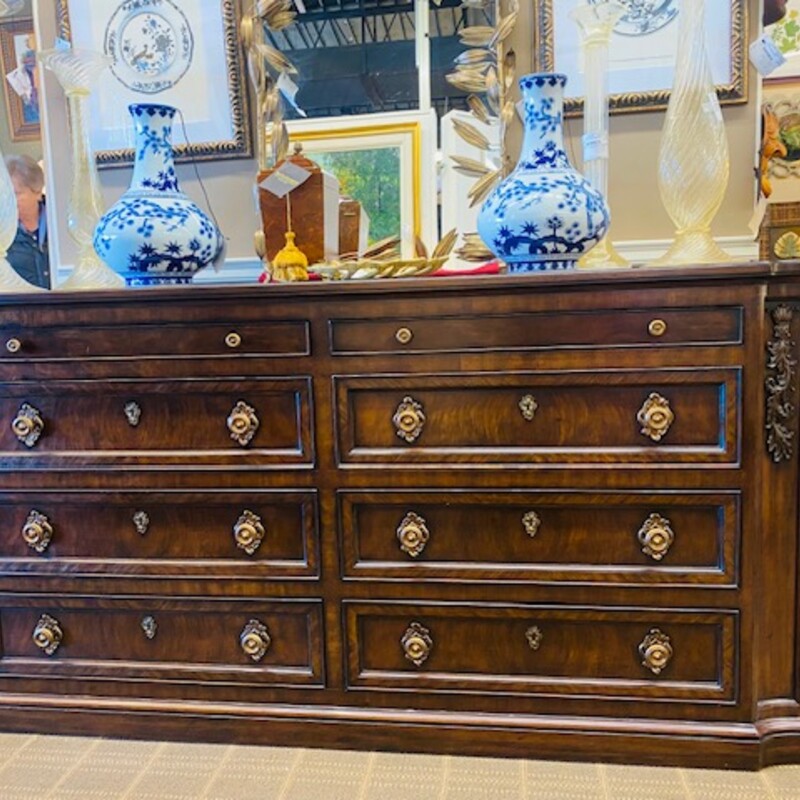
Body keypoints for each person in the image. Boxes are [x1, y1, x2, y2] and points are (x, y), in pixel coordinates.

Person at [5, 154, 49, 288]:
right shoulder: (4, 232)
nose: (8, 201)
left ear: (37, 191)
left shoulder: (58, 224)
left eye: (16, 194)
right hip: (21, 307)